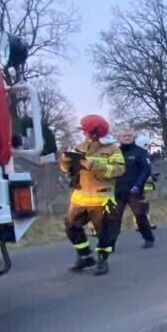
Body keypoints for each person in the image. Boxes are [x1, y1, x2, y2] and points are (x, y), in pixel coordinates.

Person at [60, 114, 125, 275]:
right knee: (71, 227)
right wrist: (65, 161)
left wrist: (94, 165)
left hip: (102, 200)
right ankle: (85, 256)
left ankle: (103, 260)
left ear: (95, 132)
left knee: (105, 233)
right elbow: (67, 170)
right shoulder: (81, 146)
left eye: (86, 131)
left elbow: (119, 169)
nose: (83, 134)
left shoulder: (112, 149)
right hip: (79, 199)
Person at [114, 127, 155, 248]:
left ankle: (148, 238)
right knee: (114, 218)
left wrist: (138, 184)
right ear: (119, 137)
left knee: (139, 215)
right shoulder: (115, 152)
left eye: (129, 136)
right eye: (125, 136)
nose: (127, 137)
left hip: (134, 190)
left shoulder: (140, 152)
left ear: (133, 137)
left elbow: (146, 169)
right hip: (118, 190)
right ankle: (109, 244)